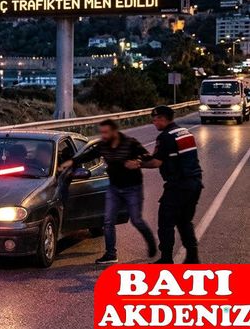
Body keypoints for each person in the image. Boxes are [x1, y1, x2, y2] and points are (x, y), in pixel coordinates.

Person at [62, 119, 157, 264]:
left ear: (114, 131)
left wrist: (138, 163)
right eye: (102, 132)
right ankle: (111, 254)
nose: (103, 135)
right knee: (108, 221)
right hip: (114, 188)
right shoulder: (103, 146)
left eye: (106, 132)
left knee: (136, 220)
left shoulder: (130, 143)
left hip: (132, 188)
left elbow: (149, 159)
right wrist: (71, 162)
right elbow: (89, 155)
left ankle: (151, 243)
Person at [137, 105, 204, 264]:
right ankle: (192, 257)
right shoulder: (185, 132)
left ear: (163, 118)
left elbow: (156, 162)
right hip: (195, 184)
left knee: (165, 223)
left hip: (178, 186)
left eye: (155, 119)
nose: (154, 123)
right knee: (184, 221)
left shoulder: (165, 137)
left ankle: (166, 259)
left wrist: (138, 165)